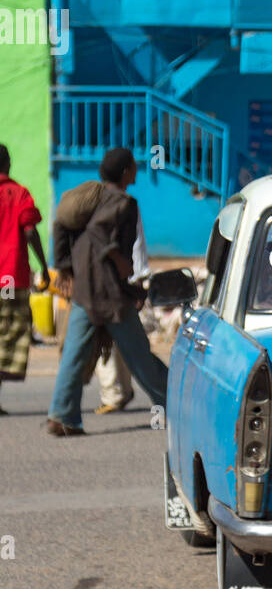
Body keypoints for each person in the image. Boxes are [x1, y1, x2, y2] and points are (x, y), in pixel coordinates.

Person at [47, 148, 168, 437]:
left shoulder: (91, 199)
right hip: (109, 292)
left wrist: (64, 266)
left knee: (74, 355)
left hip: (84, 287)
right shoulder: (123, 203)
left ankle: (62, 417)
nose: (136, 171)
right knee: (140, 356)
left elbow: (60, 225)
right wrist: (120, 261)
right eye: (133, 167)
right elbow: (102, 235)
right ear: (126, 172)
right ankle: (177, 407)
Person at [0, 145, 50, 413]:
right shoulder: (18, 193)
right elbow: (30, 231)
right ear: (7, 163)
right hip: (8, 279)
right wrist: (43, 265)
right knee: (8, 331)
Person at [93, 219, 150, 414]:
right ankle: (122, 391)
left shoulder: (120, 207)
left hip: (114, 284)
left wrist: (138, 280)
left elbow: (137, 241)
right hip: (113, 282)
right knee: (119, 339)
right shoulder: (118, 207)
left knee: (108, 340)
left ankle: (114, 394)